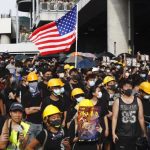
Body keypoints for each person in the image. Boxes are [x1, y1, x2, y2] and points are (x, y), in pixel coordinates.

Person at [112, 79, 147, 150]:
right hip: (121, 135)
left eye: (130, 86)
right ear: (122, 88)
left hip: (135, 135)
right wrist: (113, 133)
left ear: (132, 88)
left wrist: (144, 133)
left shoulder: (138, 100)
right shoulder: (117, 101)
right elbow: (114, 118)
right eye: (126, 86)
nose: (128, 88)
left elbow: (141, 118)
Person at [22, 72, 43, 142]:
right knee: (30, 145)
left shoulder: (41, 94)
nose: (33, 83)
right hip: (29, 124)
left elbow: (43, 107)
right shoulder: (25, 95)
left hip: (40, 123)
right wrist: (38, 108)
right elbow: (27, 111)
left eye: (34, 81)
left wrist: (32, 108)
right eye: (31, 81)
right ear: (28, 82)